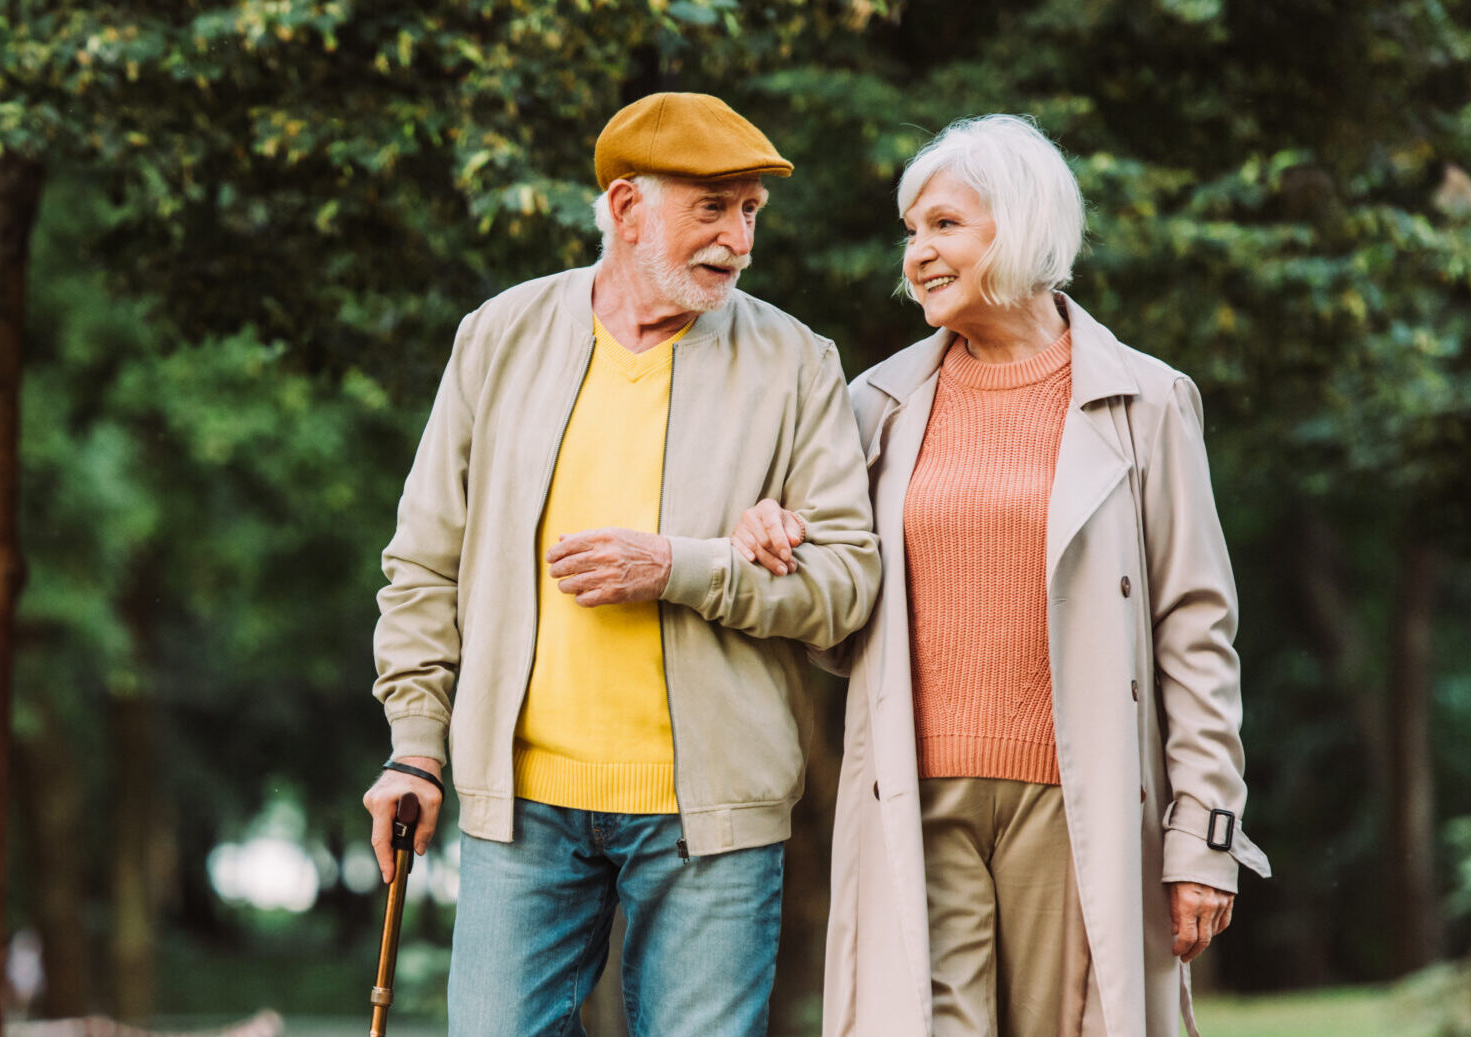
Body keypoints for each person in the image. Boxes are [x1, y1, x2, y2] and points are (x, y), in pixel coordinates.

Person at [729, 114, 1273, 1037]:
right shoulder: (870, 406)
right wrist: (770, 528)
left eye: (944, 225)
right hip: (913, 796)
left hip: (1080, 805)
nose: (918, 254)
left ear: (1019, 225)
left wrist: (1205, 836)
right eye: (911, 232)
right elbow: (832, 604)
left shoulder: (1149, 401)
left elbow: (1195, 628)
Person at [360, 92, 881, 1035]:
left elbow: (847, 587)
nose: (739, 240)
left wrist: (684, 567)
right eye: (712, 207)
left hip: (712, 822)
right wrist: (414, 746)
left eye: (751, 211)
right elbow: (425, 559)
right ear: (628, 206)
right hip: (519, 807)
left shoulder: (798, 363)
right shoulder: (498, 336)